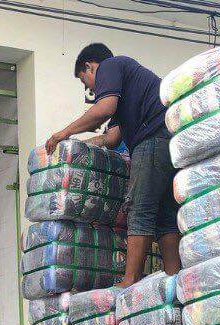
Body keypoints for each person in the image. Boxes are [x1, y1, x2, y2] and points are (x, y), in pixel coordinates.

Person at [45, 43, 181, 286]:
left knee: (139, 209)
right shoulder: (128, 84)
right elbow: (112, 138)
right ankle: (175, 278)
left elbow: (103, 109)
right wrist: (78, 147)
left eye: (85, 81)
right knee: (164, 215)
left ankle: (129, 281)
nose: (89, 89)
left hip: (152, 140)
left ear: (90, 66)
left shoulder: (110, 65)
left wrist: (62, 133)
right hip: (168, 142)